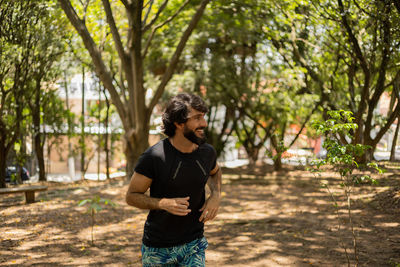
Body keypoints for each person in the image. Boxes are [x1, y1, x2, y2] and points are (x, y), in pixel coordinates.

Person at [126, 93, 222, 267]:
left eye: (204, 117)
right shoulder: (154, 157)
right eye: (197, 118)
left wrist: (215, 195)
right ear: (179, 123)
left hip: (194, 243)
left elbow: (215, 172)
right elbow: (131, 196)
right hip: (157, 249)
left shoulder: (207, 153)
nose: (204, 123)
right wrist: (162, 203)